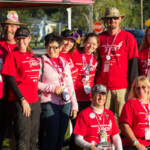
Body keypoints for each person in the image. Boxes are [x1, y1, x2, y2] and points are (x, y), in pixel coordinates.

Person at [1, 27, 41, 150]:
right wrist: (23, 100)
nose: (21, 42)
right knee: (23, 139)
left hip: (35, 101)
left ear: (29, 39)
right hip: (21, 102)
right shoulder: (12, 56)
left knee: (33, 139)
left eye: (23, 39)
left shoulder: (31, 55)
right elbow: (11, 80)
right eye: (18, 39)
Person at [96, 7, 139, 117]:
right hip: (102, 87)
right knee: (103, 120)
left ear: (120, 19)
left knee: (124, 120)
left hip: (122, 87)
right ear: (105, 20)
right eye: (109, 18)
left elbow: (133, 64)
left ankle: (123, 135)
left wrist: (133, 87)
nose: (112, 20)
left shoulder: (128, 37)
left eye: (115, 18)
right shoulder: (99, 38)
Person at [38, 33, 78, 150]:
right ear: (45, 47)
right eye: (49, 47)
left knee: (61, 137)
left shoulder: (64, 62)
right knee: (51, 137)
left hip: (66, 103)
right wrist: (52, 88)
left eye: (55, 47)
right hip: (49, 102)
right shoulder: (41, 62)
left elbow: (70, 84)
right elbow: (34, 84)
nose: (52, 50)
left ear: (60, 48)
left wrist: (74, 105)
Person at [0, 10, 25, 149]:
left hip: (18, 96)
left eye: (12, 26)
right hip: (1, 95)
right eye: (6, 25)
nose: (9, 29)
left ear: (17, 28)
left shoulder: (23, 47)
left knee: (17, 131)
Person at [73, 84, 123, 150]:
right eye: (98, 94)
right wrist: (90, 146)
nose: (101, 97)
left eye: (103, 94)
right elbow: (78, 139)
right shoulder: (84, 114)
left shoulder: (109, 114)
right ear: (92, 96)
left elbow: (116, 136)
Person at [70, 32, 99, 112]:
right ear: (84, 42)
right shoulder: (75, 53)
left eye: (94, 44)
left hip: (90, 97)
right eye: (88, 43)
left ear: (97, 45)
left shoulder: (97, 57)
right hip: (75, 96)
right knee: (76, 123)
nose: (91, 46)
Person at [119, 76, 150, 150]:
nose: (141, 90)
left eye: (143, 87)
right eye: (138, 88)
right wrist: (137, 144)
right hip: (132, 145)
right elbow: (124, 126)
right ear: (134, 90)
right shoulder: (131, 103)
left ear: (148, 88)